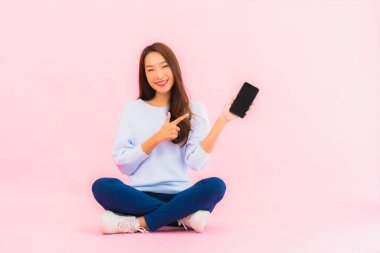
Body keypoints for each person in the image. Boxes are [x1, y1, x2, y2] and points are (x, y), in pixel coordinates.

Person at [91, 42, 252, 234]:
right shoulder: (132, 109)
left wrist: (222, 121)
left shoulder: (194, 110)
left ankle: (138, 223)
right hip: (138, 196)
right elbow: (124, 165)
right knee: (102, 186)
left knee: (216, 185)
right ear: (144, 75)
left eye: (164, 66)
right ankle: (182, 217)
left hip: (181, 196)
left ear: (174, 68)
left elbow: (196, 163)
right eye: (151, 69)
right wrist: (157, 138)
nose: (159, 75)